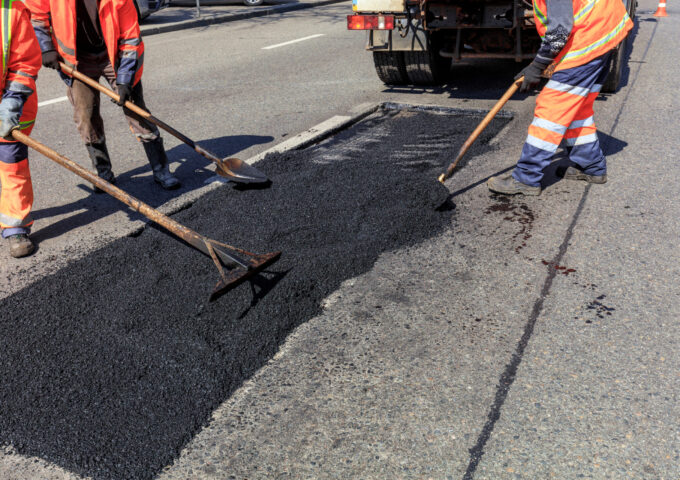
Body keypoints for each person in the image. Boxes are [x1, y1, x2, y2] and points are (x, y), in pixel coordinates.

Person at [25, 0, 180, 191]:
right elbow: (36, 15)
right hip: (77, 60)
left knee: (136, 112)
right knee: (86, 116)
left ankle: (161, 169)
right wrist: (46, 47)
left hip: (113, 55)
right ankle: (103, 173)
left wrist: (124, 81)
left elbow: (130, 38)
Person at [487, 0, 633, 196]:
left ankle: (526, 178)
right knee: (577, 109)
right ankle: (592, 166)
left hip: (589, 37)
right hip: (603, 30)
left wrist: (537, 67)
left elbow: (559, 32)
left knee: (552, 108)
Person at [0, 0, 42, 258]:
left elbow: (25, 62)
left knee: (11, 165)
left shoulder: (11, 9)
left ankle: (15, 225)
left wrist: (12, 100)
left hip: (9, 107)